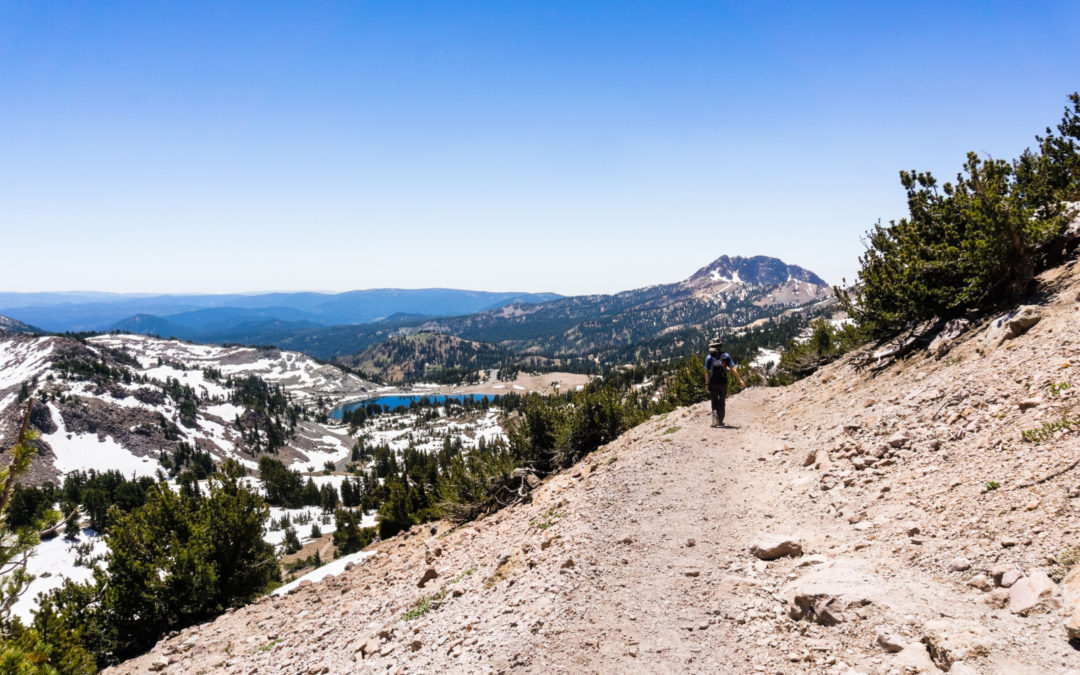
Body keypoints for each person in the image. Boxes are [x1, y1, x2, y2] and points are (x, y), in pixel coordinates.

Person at [705, 340, 745, 427]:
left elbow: (706, 372)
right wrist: (740, 380)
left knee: (714, 402)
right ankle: (721, 421)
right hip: (723, 382)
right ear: (720, 346)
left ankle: (714, 419)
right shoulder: (726, 356)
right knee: (722, 402)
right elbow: (733, 369)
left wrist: (707, 385)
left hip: (713, 381)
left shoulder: (709, 357)